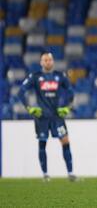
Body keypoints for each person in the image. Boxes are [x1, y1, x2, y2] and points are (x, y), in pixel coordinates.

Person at [18, 52, 78, 182]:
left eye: (50, 59)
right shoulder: (35, 77)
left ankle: (71, 173)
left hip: (57, 116)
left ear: (53, 61)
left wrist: (67, 107)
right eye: (45, 60)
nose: (48, 62)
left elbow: (71, 92)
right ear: (41, 62)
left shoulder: (60, 76)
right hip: (42, 117)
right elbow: (21, 92)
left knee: (65, 141)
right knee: (42, 143)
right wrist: (29, 108)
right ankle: (45, 174)